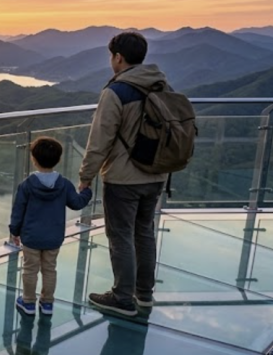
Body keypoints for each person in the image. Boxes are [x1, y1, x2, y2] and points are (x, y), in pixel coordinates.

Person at [78, 31, 170, 317]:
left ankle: (122, 298)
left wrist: (86, 175)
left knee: (120, 236)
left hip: (123, 179)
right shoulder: (161, 85)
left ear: (118, 57)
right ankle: (144, 294)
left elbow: (100, 140)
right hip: (157, 175)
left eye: (112, 56)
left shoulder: (116, 91)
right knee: (144, 232)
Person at [10, 136, 93, 315]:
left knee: (30, 269)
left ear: (33, 159)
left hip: (31, 237)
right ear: (58, 159)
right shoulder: (64, 184)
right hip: (53, 237)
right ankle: (47, 303)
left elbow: (18, 211)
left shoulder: (27, 185)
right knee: (49, 269)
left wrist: (14, 231)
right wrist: (86, 192)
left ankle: (28, 303)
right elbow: (77, 203)